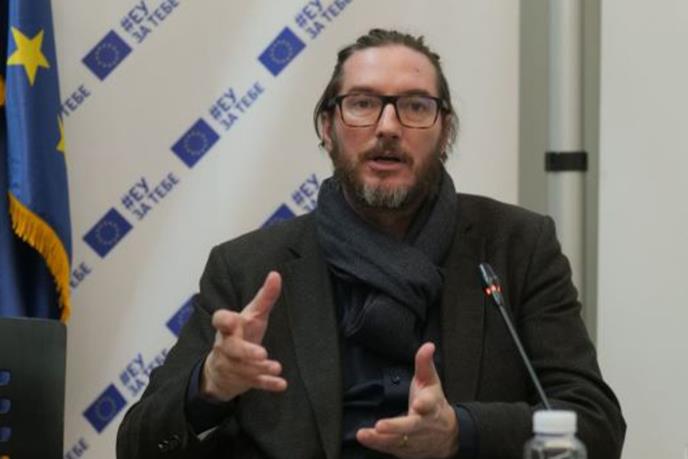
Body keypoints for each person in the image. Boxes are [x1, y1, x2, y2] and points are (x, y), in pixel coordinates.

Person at [116, 29, 625, 459]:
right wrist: (210, 384)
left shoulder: (516, 246)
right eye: (361, 104)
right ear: (327, 128)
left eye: (415, 106)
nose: (387, 127)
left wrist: (460, 431)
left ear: (445, 132)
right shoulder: (248, 267)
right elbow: (137, 443)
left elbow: (596, 423)